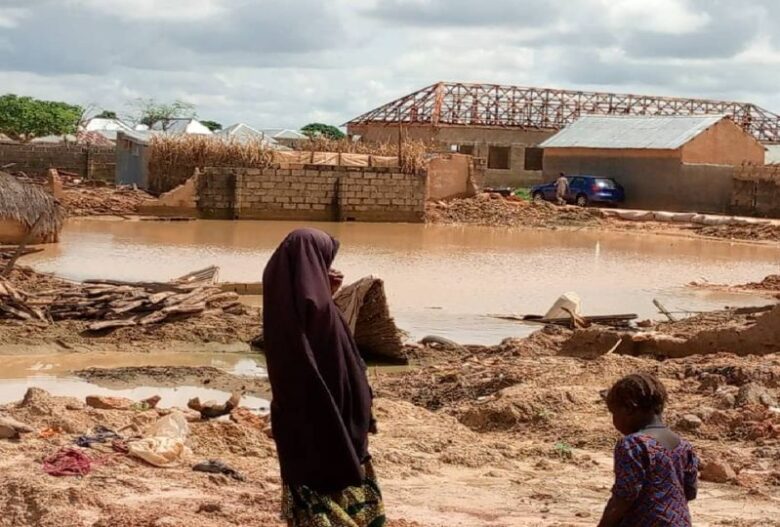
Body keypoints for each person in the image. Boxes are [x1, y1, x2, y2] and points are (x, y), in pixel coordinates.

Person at [262, 228, 385, 527]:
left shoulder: (286, 312)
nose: (329, 269)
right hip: (331, 423)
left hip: (309, 427)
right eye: (323, 261)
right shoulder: (318, 314)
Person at [598, 373, 699, 527]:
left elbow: (624, 496)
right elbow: (690, 492)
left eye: (614, 413)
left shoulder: (633, 444)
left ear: (628, 409)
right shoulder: (683, 445)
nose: (614, 420)